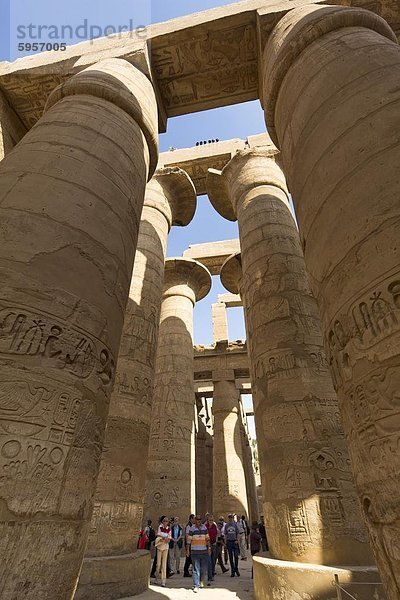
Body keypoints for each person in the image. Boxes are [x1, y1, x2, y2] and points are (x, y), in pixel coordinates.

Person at [187, 515, 211, 593]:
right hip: (195, 552)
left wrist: (209, 548)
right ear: (195, 520)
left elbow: (207, 539)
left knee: (203, 569)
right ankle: (196, 585)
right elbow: (189, 540)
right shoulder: (192, 528)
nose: (199, 520)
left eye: (200, 519)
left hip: (204, 551)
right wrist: (188, 550)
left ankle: (200, 580)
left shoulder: (204, 528)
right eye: (197, 519)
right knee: (195, 569)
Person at [155, 515, 171, 587]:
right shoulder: (160, 527)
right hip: (159, 547)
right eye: (164, 521)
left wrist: (164, 538)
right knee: (158, 564)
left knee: (164, 564)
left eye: (166, 521)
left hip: (165, 548)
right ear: (162, 521)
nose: (165, 522)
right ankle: (157, 576)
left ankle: (163, 581)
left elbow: (168, 540)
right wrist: (164, 538)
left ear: (168, 522)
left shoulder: (169, 529)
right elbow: (159, 536)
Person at [205, 513, 218, 584]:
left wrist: (215, 541)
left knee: (213, 560)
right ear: (208, 520)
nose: (211, 521)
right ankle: (210, 576)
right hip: (207, 545)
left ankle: (212, 574)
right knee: (209, 561)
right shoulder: (205, 526)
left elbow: (216, 534)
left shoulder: (214, 526)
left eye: (212, 520)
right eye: (210, 520)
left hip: (213, 544)